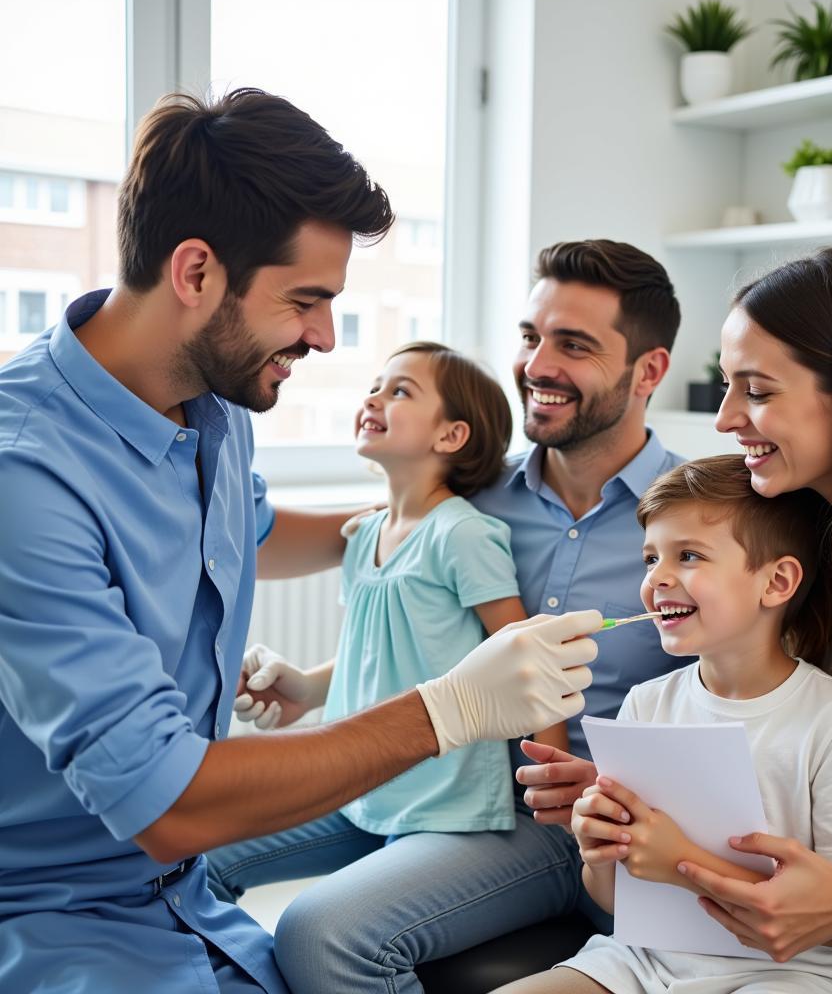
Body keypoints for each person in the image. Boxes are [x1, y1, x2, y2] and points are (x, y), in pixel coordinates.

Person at [0, 89, 602, 994]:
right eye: (307, 301)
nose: (325, 336)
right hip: (60, 913)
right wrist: (449, 710)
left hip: (184, 895)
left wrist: (410, 524)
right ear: (196, 272)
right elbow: (165, 802)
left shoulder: (209, 399)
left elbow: (251, 529)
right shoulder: (24, 476)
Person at [523, 247, 832, 993]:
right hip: (761, 925)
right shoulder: (781, 549)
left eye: (754, 390)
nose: (726, 420)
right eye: (728, 387)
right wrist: (638, 798)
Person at [246, 239, 685, 993]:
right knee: (173, 845)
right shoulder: (470, 504)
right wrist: (317, 687)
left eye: (572, 345)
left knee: (321, 933)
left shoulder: (699, 519)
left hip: (578, 821)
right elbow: (409, 628)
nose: (537, 365)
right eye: (529, 337)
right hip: (448, 786)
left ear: (648, 371)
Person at [497, 454, 832, 994]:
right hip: (641, 962)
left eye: (688, 556)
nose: (657, 578)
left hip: (792, 975)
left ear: (777, 581)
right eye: (650, 558)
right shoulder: (644, 707)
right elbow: (615, 898)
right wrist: (596, 848)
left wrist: (679, 861)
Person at [206, 340, 577, 900]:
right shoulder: (362, 538)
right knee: (200, 859)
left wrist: (551, 778)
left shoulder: (463, 534)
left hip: (442, 806)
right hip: (362, 790)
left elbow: (527, 658)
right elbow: (374, 651)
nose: (374, 397)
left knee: (314, 917)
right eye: (375, 386)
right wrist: (307, 686)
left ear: (450, 436)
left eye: (399, 390)